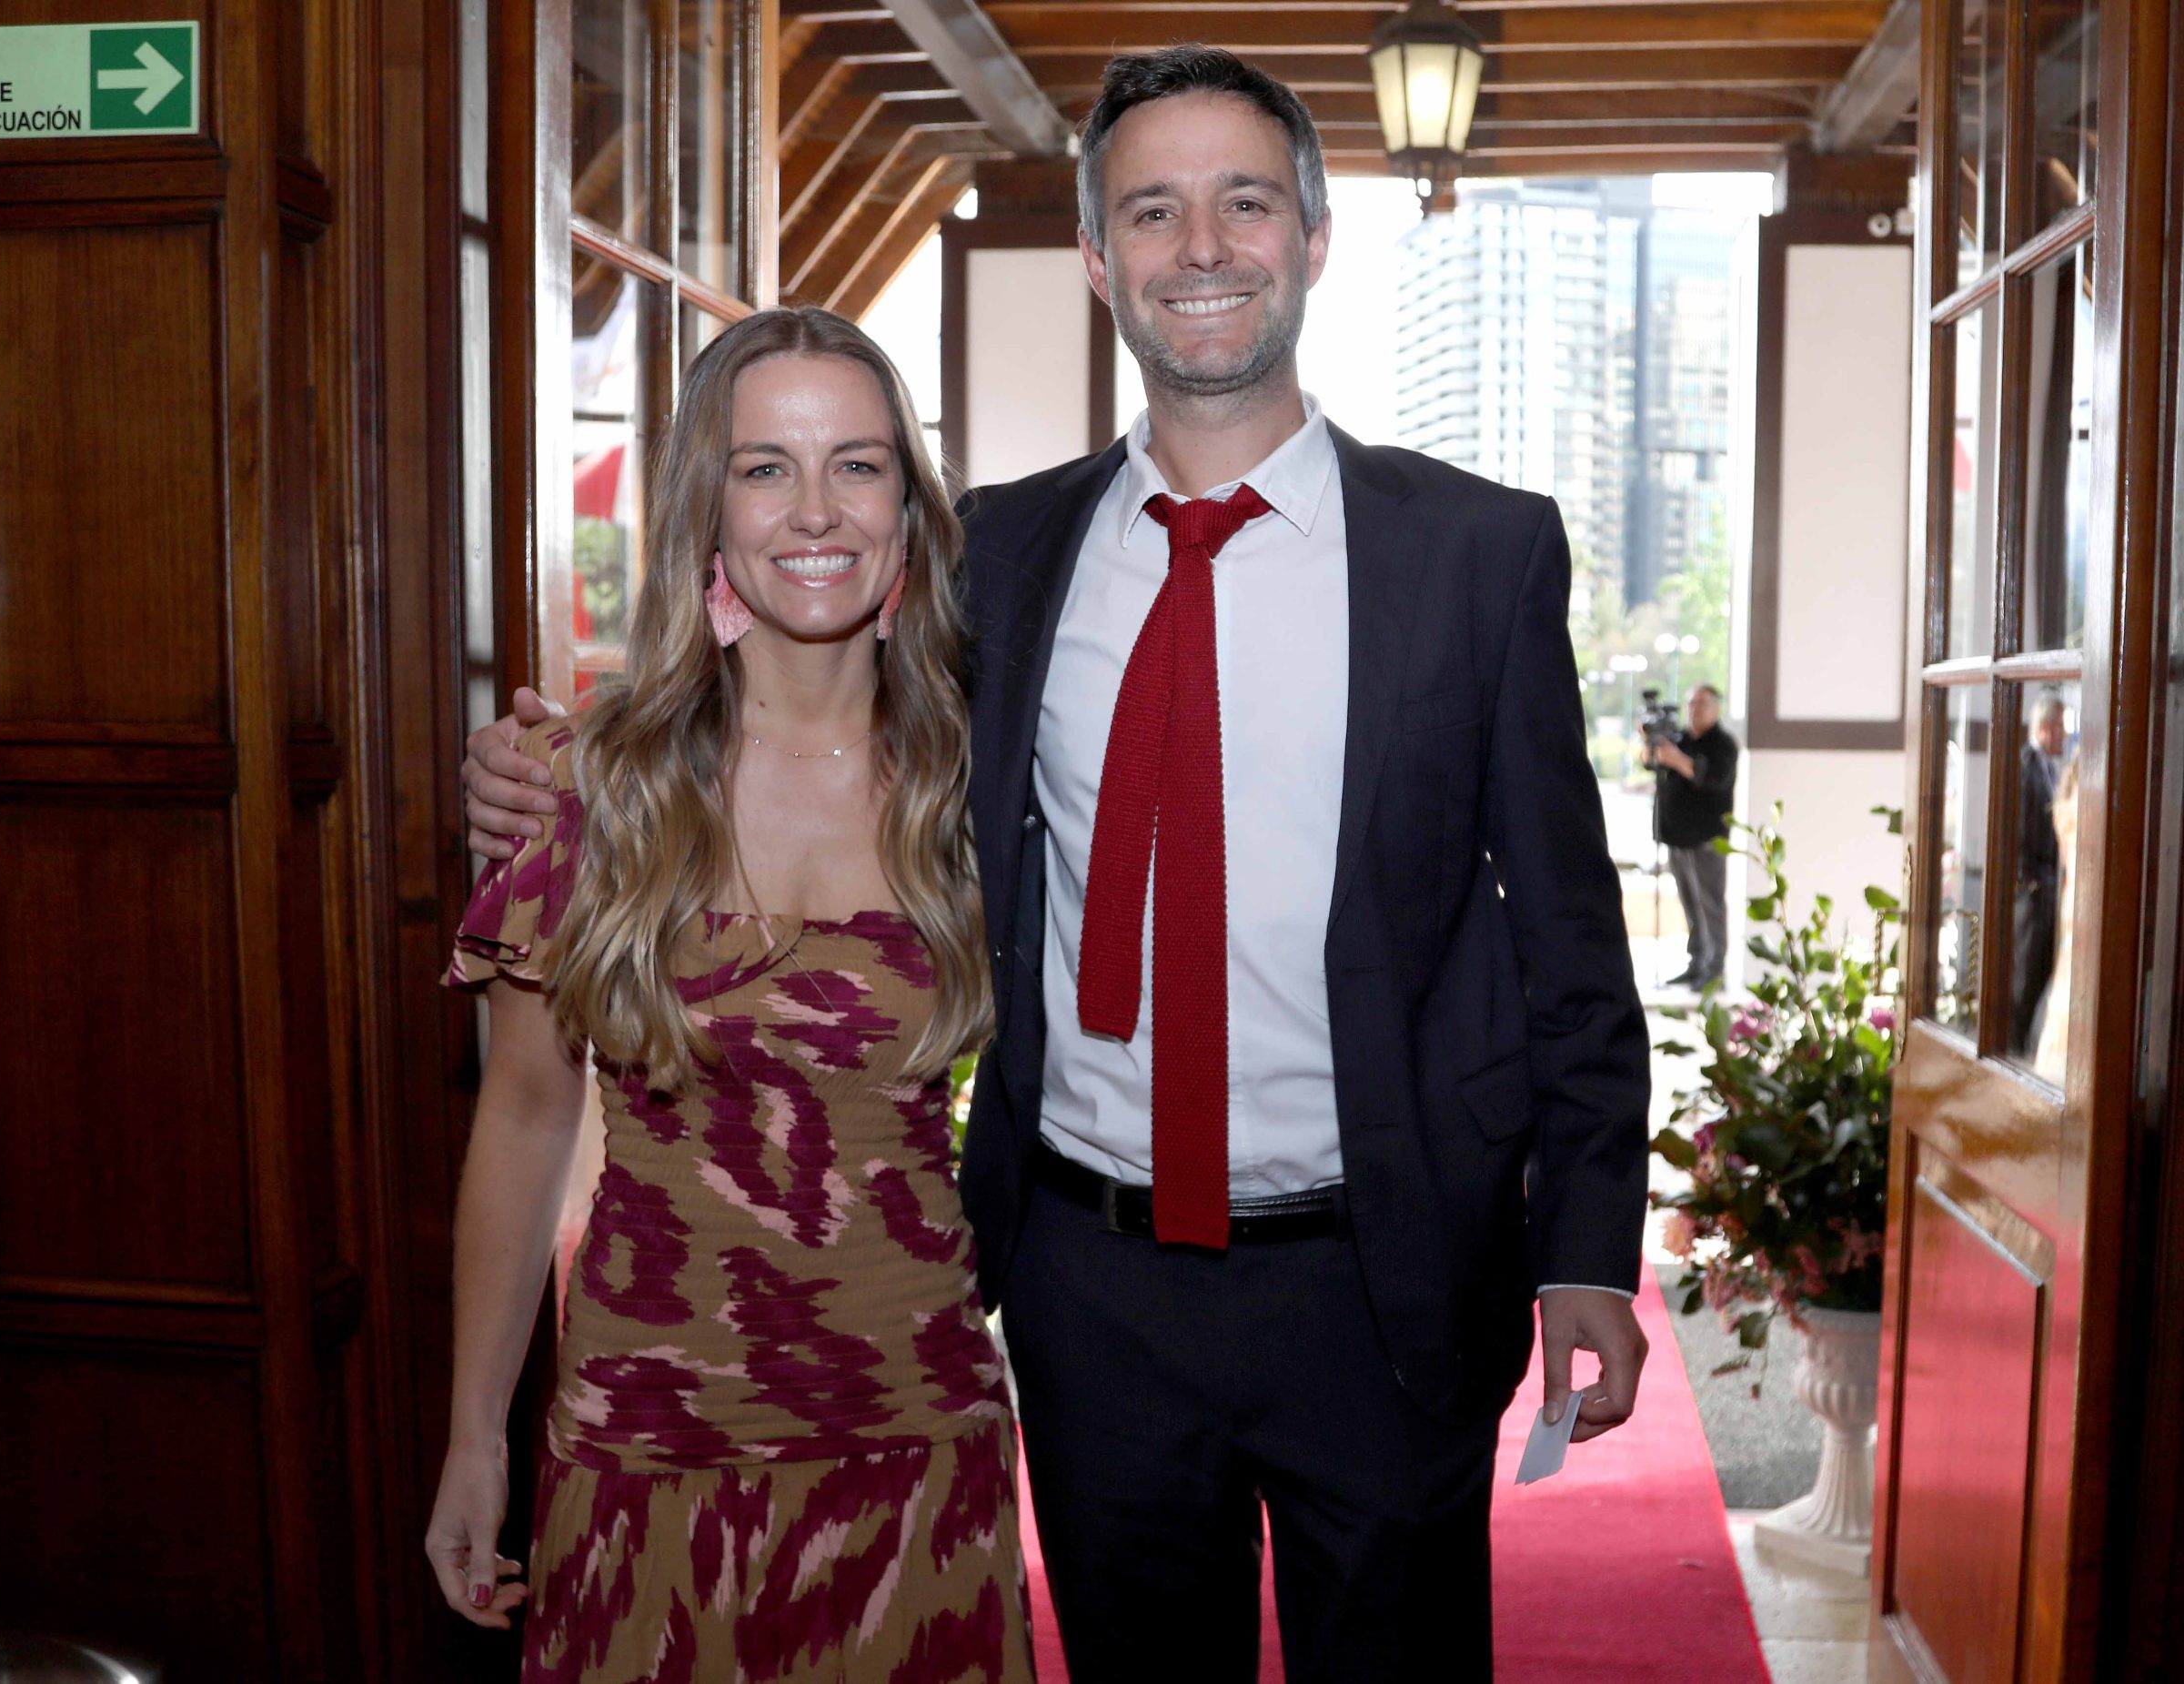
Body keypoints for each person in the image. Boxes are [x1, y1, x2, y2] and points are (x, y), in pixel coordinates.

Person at [467, 47, 1651, 1682]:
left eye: (1245, 203)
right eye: (1152, 211)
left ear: (1313, 237)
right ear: (1099, 256)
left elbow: (1571, 943)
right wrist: (558, 764)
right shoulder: (1005, 556)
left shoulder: (1477, 553)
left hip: (1380, 1278)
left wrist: (1585, 1244)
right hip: (1091, 1289)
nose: (1201, 247)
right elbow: (787, 649)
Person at [427, 307, 1033, 1681]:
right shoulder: (588, 789)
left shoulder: (985, 786)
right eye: (766, 468)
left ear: (910, 507)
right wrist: (475, 1438)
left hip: (914, 1446)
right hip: (645, 1446)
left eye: (858, 464)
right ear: (708, 505)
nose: (815, 510)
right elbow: (523, 1120)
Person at [1644, 684, 1739, 990]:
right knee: (1690, 905)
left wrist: (1676, 759)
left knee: (1710, 904)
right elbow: (1650, 763)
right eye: (1691, 703)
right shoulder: (1679, 738)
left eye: (1702, 703)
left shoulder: (1723, 744)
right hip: (1677, 836)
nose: (1695, 709)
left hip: (1706, 839)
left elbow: (1712, 779)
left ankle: (1714, 968)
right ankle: (1697, 961)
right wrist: (1650, 741)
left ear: (1716, 708)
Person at [2010, 690, 2068, 1054]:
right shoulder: (2026, 766)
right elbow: (2018, 828)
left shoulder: (2050, 768)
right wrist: (2029, 881)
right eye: (2060, 726)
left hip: (2048, 890)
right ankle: (2014, 1048)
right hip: (2032, 893)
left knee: (2042, 975)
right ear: (2045, 727)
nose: (2064, 733)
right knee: (2025, 976)